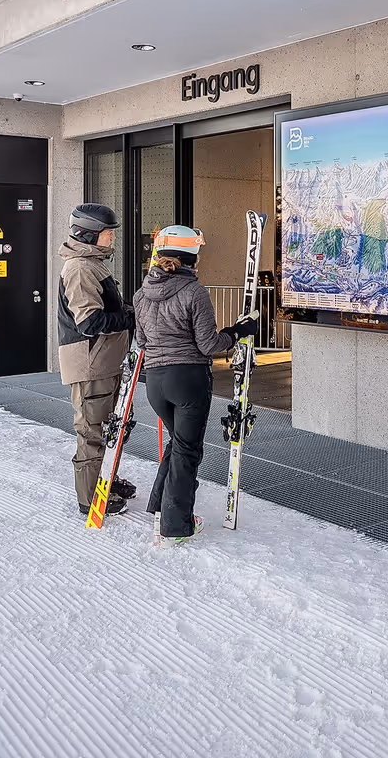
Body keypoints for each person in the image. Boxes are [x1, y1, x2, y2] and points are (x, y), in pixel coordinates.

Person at [133, 225, 259, 541]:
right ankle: (176, 527)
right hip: (188, 381)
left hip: (156, 383)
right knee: (188, 451)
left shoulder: (141, 294)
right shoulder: (194, 292)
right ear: (192, 256)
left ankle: (161, 510)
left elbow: (141, 340)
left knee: (178, 444)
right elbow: (208, 345)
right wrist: (238, 332)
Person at [58, 202, 137, 516]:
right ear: (89, 235)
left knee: (111, 427)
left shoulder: (94, 264)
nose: (112, 238)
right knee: (92, 430)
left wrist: (129, 310)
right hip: (91, 365)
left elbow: (108, 308)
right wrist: (129, 319)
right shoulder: (79, 269)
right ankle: (90, 498)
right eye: (107, 234)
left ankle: (106, 479)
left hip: (105, 361)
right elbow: (90, 322)